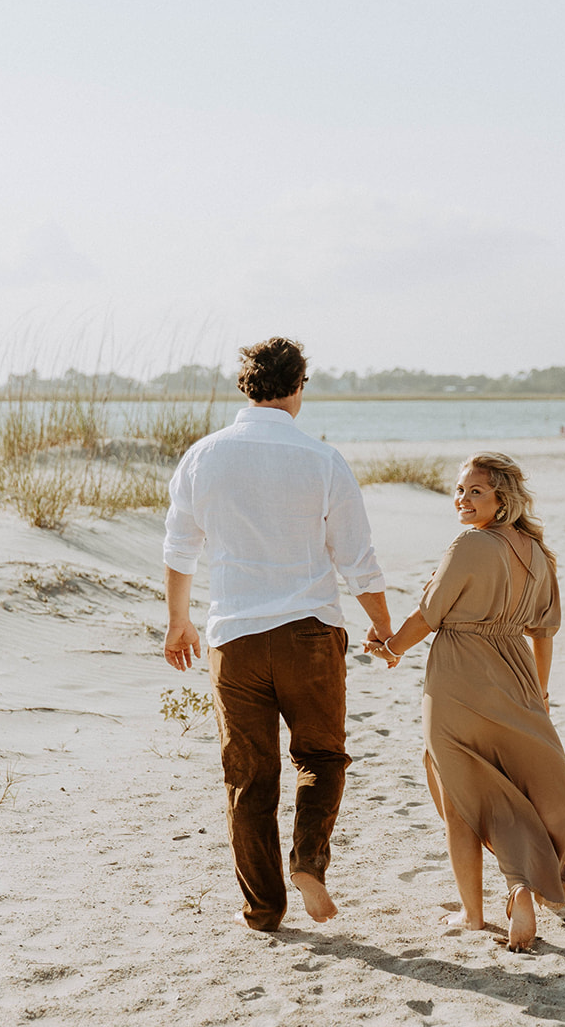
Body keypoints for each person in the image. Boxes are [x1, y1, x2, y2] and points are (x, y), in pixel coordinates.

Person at [163, 337, 394, 932]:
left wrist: (178, 622)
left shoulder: (202, 455)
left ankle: (264, 908)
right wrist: (383, 624)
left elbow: (179, 550)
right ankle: (309, 860)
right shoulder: (322, 459)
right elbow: (357, 556)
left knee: (248, 774)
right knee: (320, 755)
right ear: (298, 386)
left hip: (235, 640)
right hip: (309, 635)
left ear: (246, 386)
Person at [367, 452, 565, 951]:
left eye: (475, 492)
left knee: (462, 793)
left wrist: (391, 648)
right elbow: (544, 633)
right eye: (460, 491)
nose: (462, 500)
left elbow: (430, 613)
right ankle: (521, 886)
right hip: (516, 678)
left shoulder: (470, 544)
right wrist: (540, 694)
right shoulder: (538, 553)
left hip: (457, 679)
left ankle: (473, 913)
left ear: (502, 498)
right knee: (518, 790)